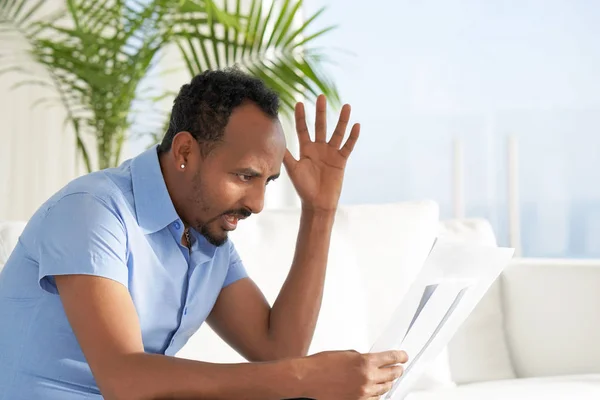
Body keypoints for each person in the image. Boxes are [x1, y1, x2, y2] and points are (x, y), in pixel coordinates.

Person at [0, 68, 407, 399]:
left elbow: (276, 349)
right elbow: (125, 380)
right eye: (244, 175)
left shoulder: (205, 237)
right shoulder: (94, 211)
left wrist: (319, 211)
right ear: (185, 153)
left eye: (267, 181)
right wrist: (303, 378)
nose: (258, 202)